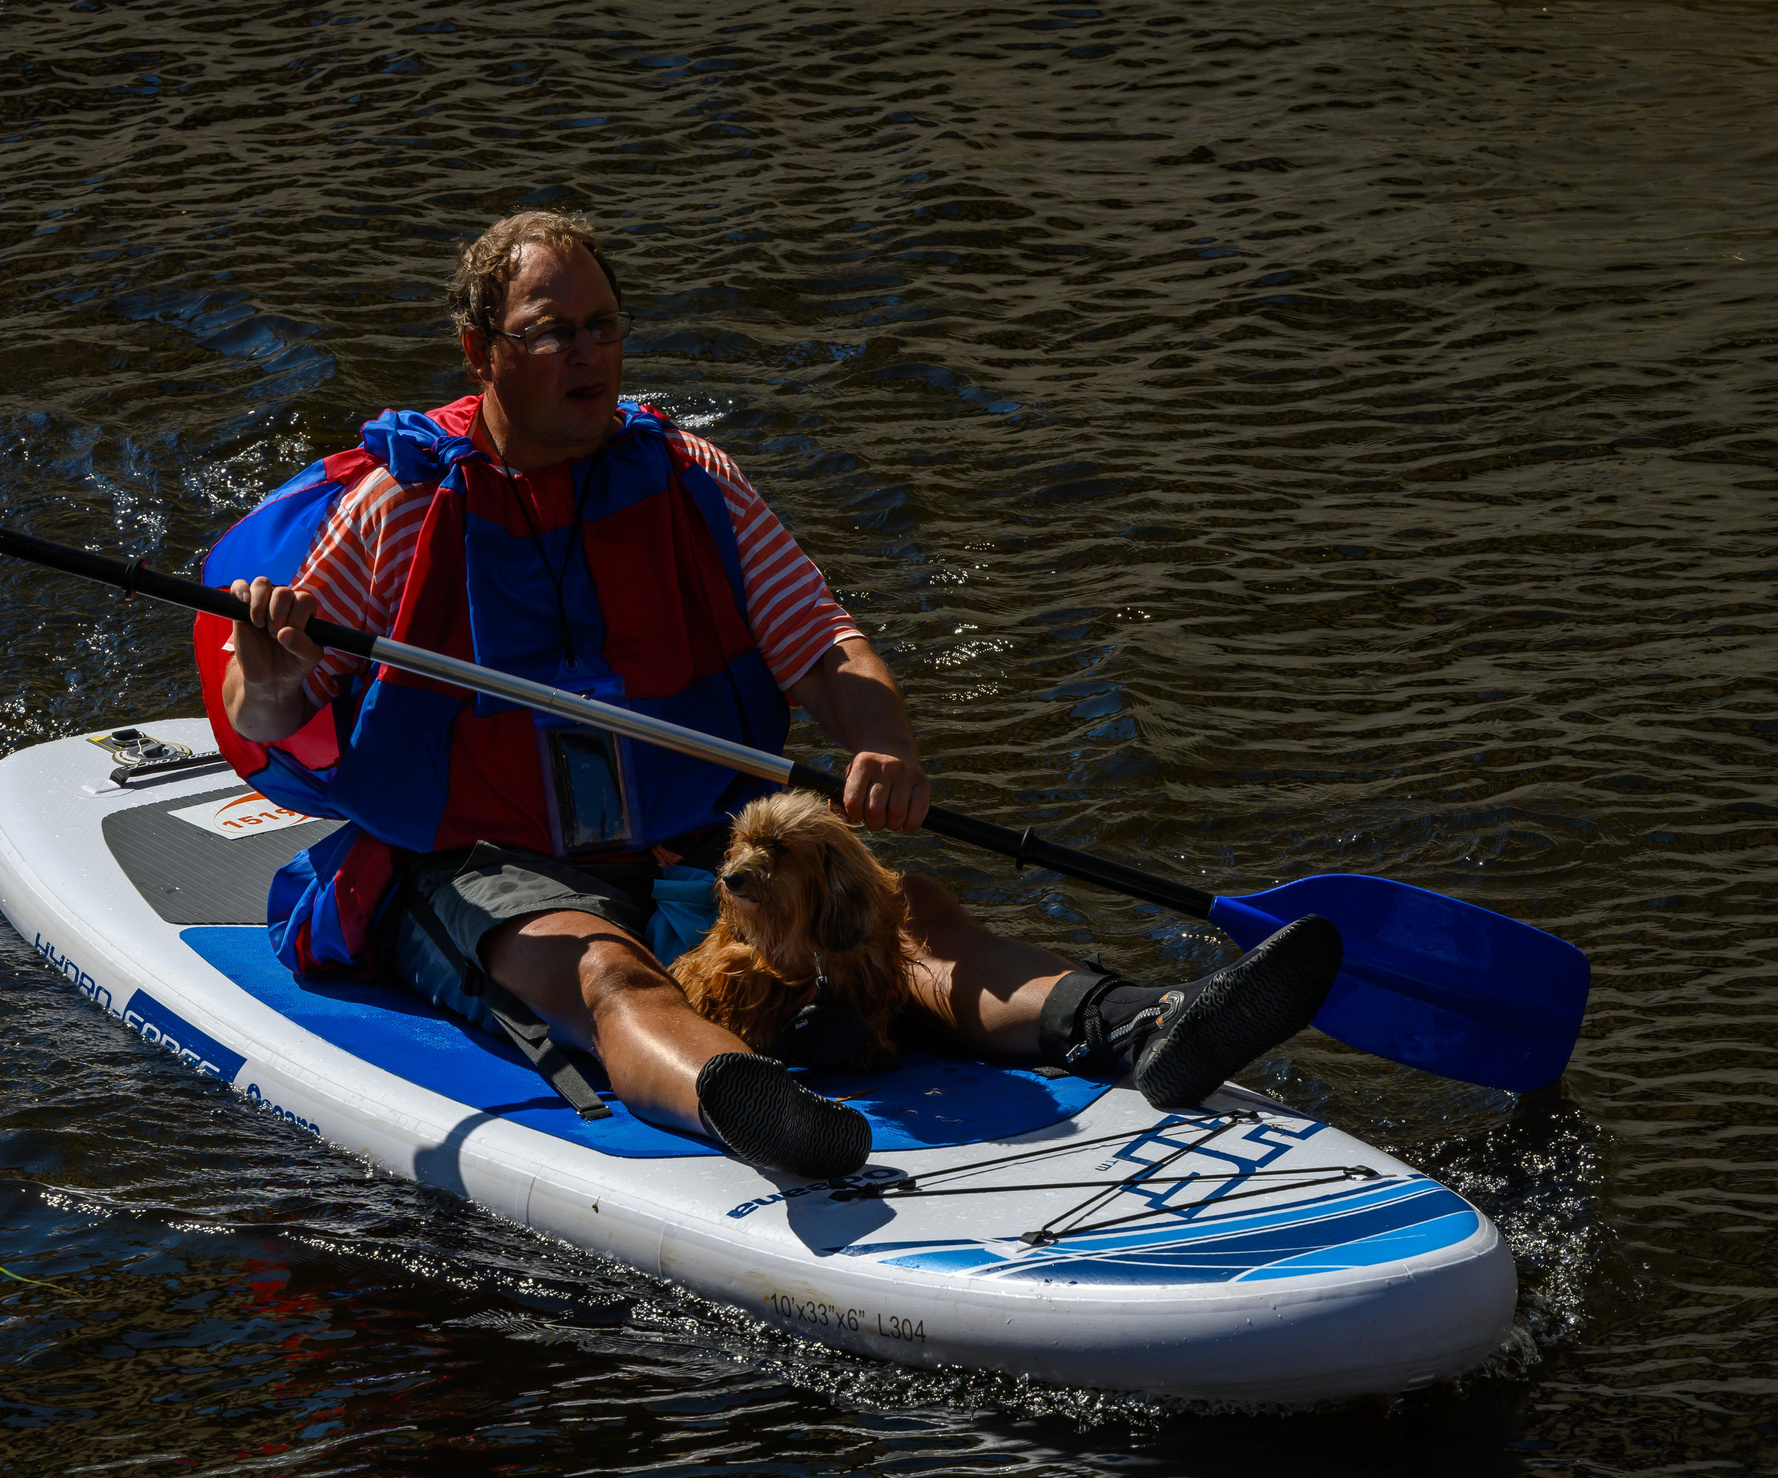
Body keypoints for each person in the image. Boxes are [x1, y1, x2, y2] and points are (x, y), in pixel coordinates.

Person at [217, 210, 1342, 1178]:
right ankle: (751, 1106)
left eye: (603, 326)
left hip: (699, 838)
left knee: (906, 921)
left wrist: (881, 743)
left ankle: (1142, 1024)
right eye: (551, 331)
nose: (587, 352)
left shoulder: (692, 481)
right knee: (603, 969)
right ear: (480, 353)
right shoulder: (400, 508)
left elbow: (824, 647)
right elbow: (269, 719)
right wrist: (266, 680)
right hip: (479, 858)